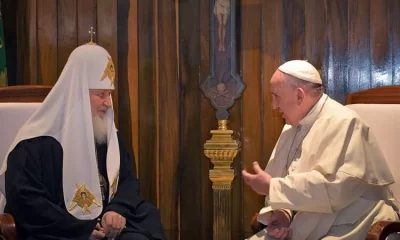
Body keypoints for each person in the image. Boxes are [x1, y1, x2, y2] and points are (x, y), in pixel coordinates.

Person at [0, 42, 166, 240]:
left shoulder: (107, 134)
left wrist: (116, 211)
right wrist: (80, 229)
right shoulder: (35, 144)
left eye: (110, 94)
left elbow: (128, 180)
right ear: (77, 94)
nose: (108, 103)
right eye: (101, 94)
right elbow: (26, 201)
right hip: (60, 231)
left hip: (109, 228)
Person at [242, 60, 399, 240]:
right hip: (306, 222)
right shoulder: (293, 127)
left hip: (350, 224)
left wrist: (272, 187)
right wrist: (284, 213)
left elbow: (334, 190)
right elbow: (290, 180)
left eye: (276, 96)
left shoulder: (344, 122)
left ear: (299, 96)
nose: (273, 106)